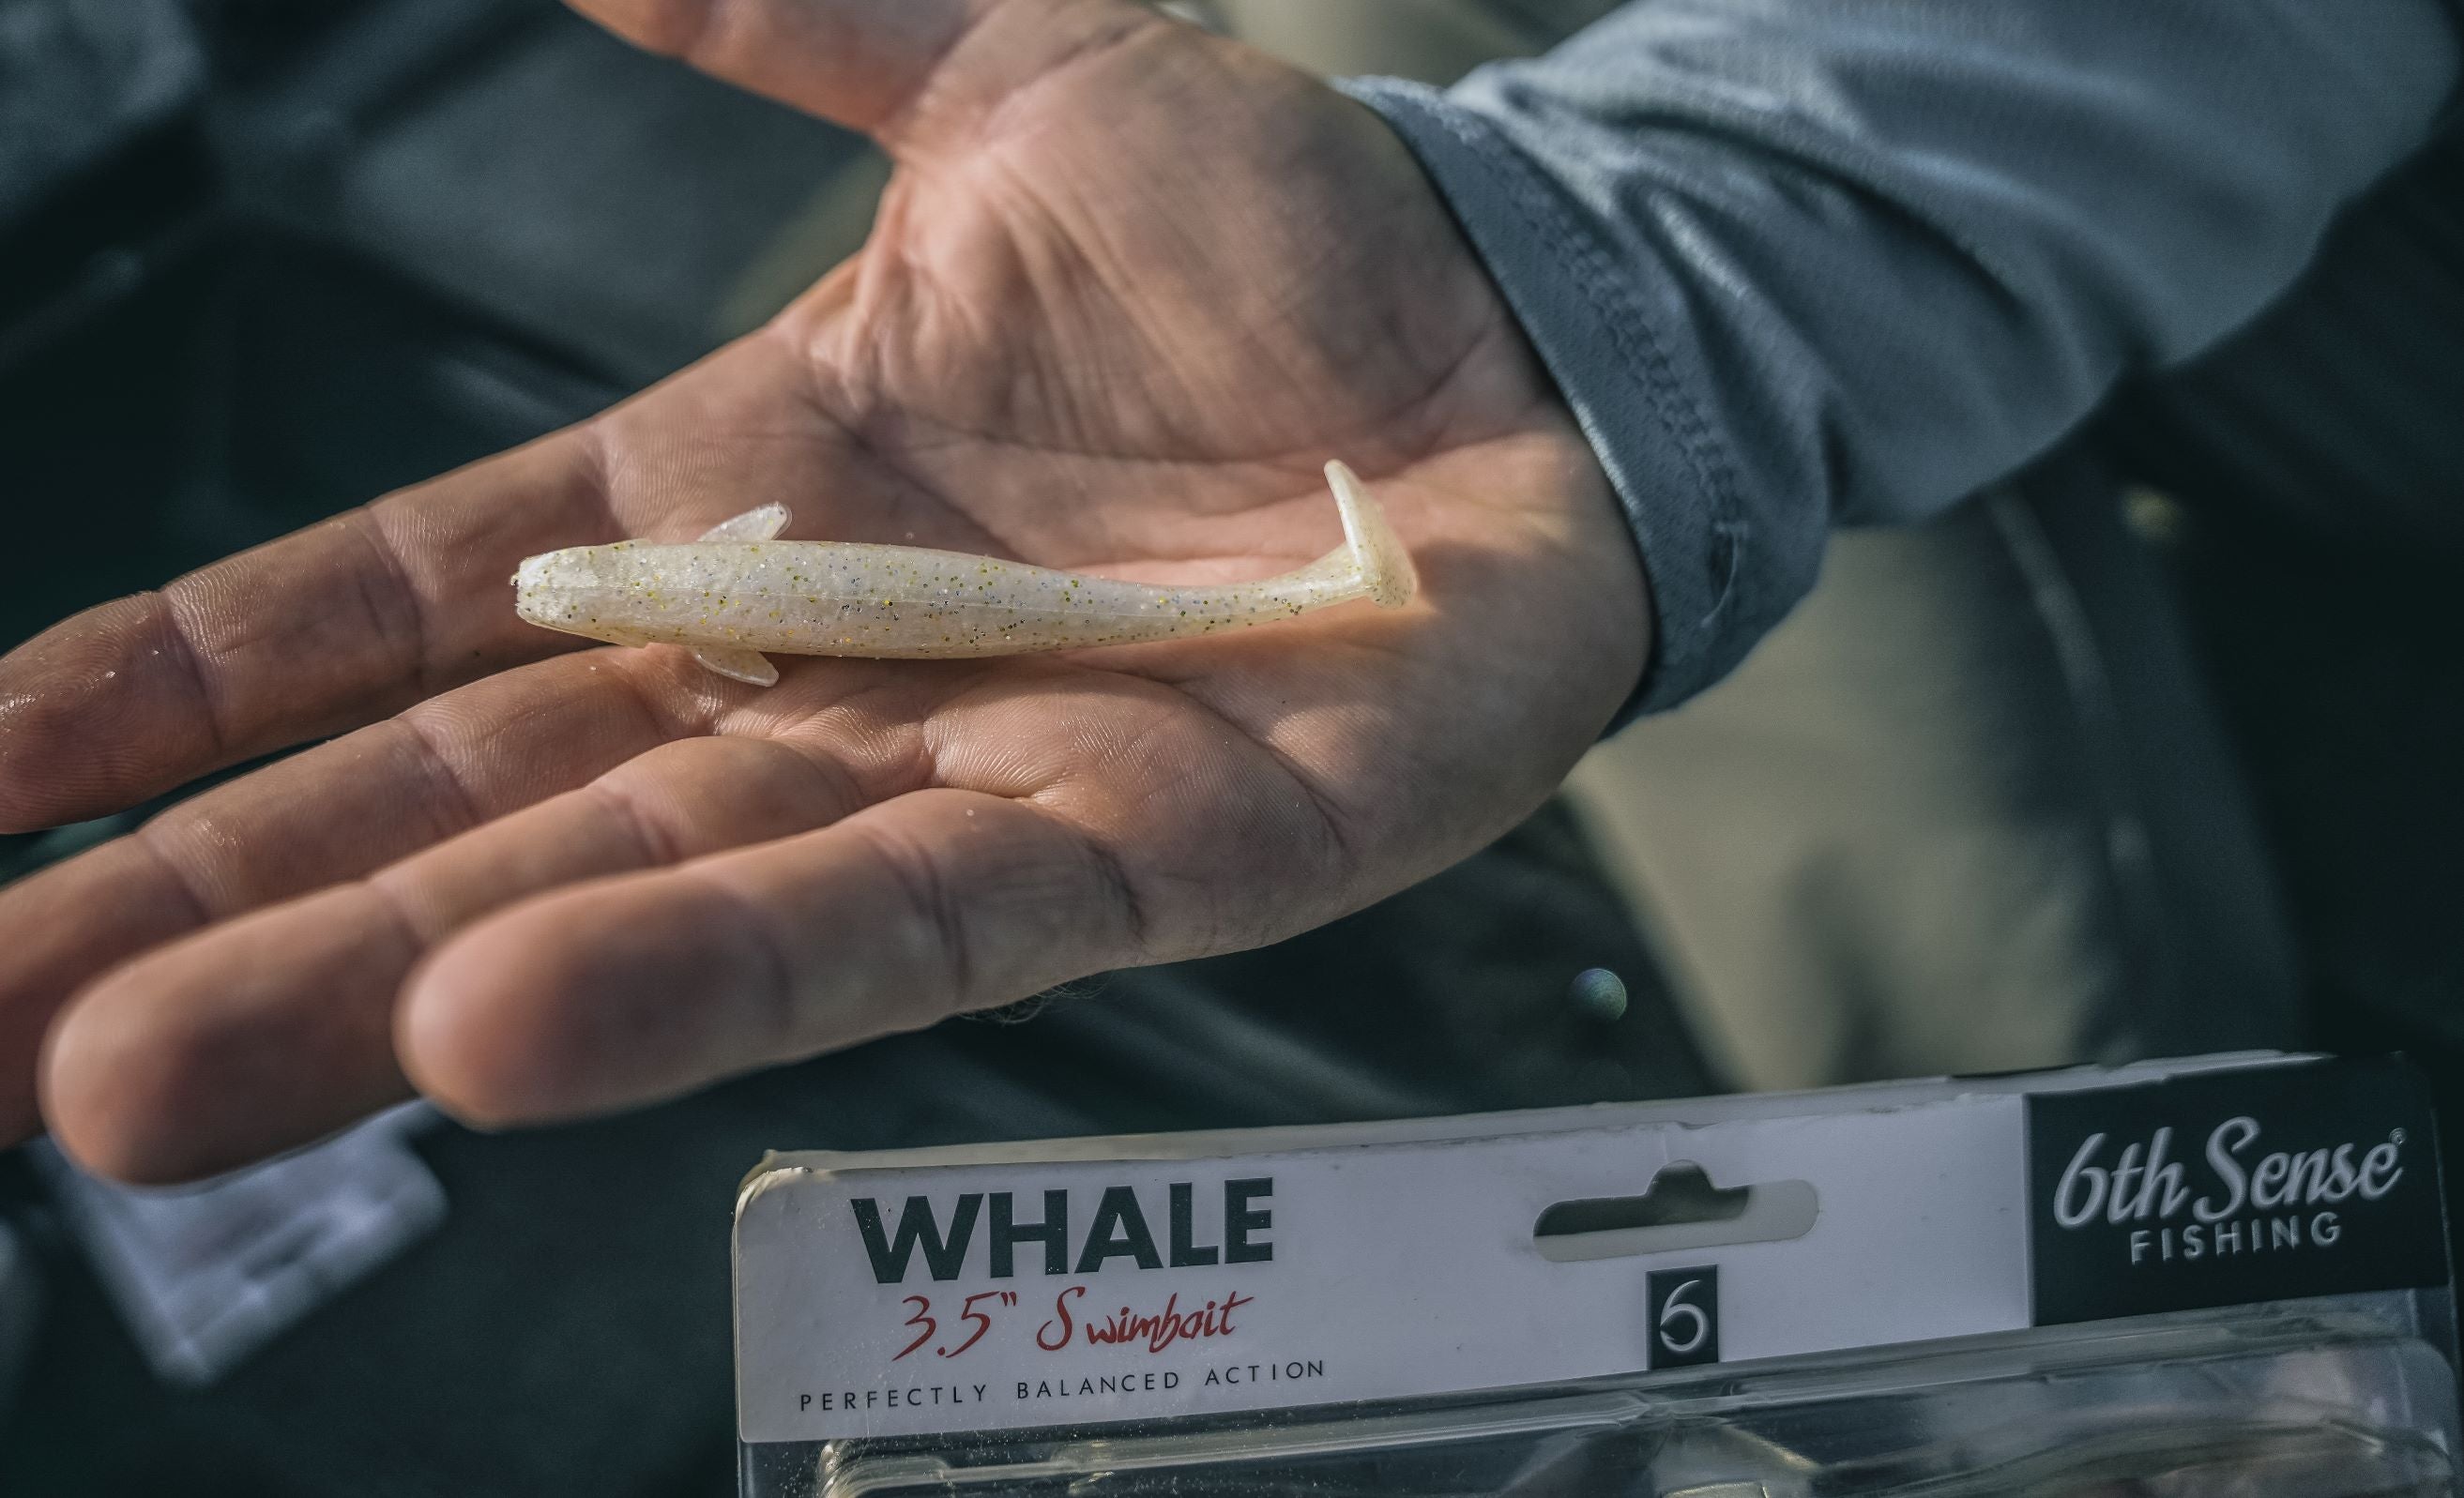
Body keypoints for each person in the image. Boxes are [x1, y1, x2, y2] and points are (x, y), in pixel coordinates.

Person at [0, 0, 2453, 1185]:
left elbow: (724, 606)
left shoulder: (703, 599)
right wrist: (1616, 270)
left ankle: (2117, 1203)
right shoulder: (707, 585)